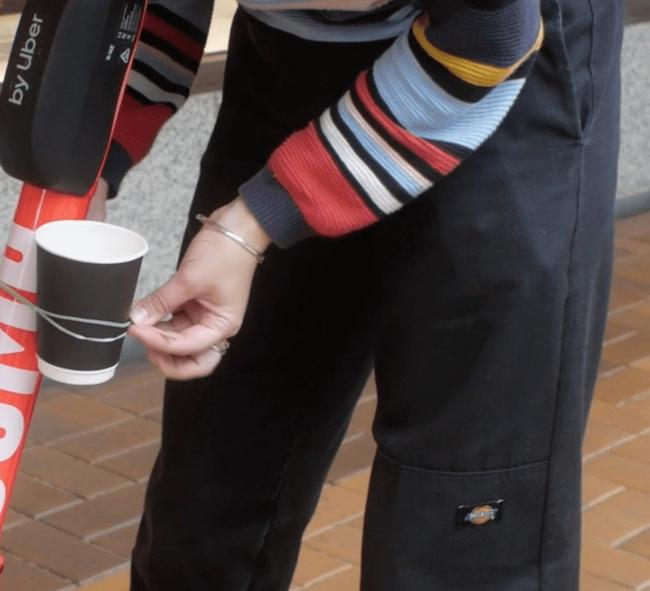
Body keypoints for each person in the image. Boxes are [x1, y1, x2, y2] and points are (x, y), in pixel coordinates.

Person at [86, 0, 624, 588]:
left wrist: (251, 223)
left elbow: (488, 32)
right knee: (213, 477)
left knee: (462, 511)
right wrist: (85, 154)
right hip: (287, 57)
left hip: (502, 62)